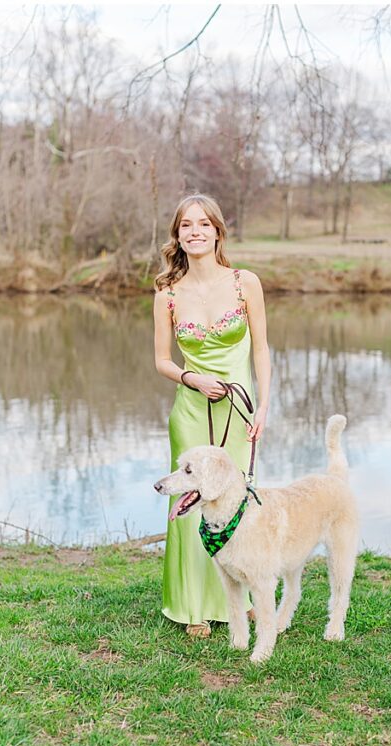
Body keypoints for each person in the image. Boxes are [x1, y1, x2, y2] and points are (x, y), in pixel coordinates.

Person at [152, 194, 271, 637]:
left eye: (204, 224)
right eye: (186, 225)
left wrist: (264, 405)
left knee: (238, 501)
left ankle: (242, 598)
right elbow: (162, 361)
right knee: (190, 500)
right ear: (177, 235)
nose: (195, 231)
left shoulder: (246, 282)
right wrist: (192, 379)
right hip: (191, 411)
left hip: (238, 411)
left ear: (218, 231)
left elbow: (260, 347)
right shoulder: (166, 292)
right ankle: (193, 607)